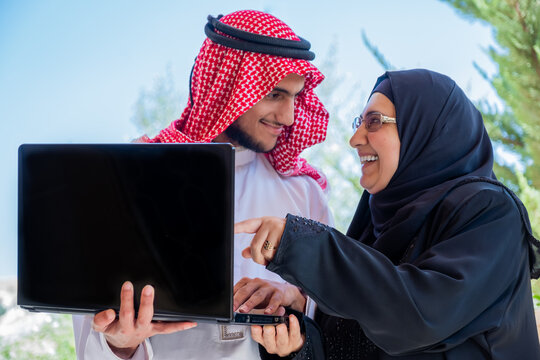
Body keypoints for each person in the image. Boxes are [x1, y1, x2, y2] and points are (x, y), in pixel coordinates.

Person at [72, 10, 333, 360]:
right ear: (229, 86)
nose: (288, 117)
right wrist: (121, 343)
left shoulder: (305, 192)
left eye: (295, 98)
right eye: (274, 94)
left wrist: (291, 298)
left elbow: (333, 319)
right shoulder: (134, 172)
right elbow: (91, 329)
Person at [236, 69, 540, 359]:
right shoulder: (375, 225)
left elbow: (419, 317)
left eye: (374, 121)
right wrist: (296, 332)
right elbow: (354, 341)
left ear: (426, 128)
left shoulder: (489, 212)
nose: (354, 138)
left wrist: (300, 244)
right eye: (360, 121)